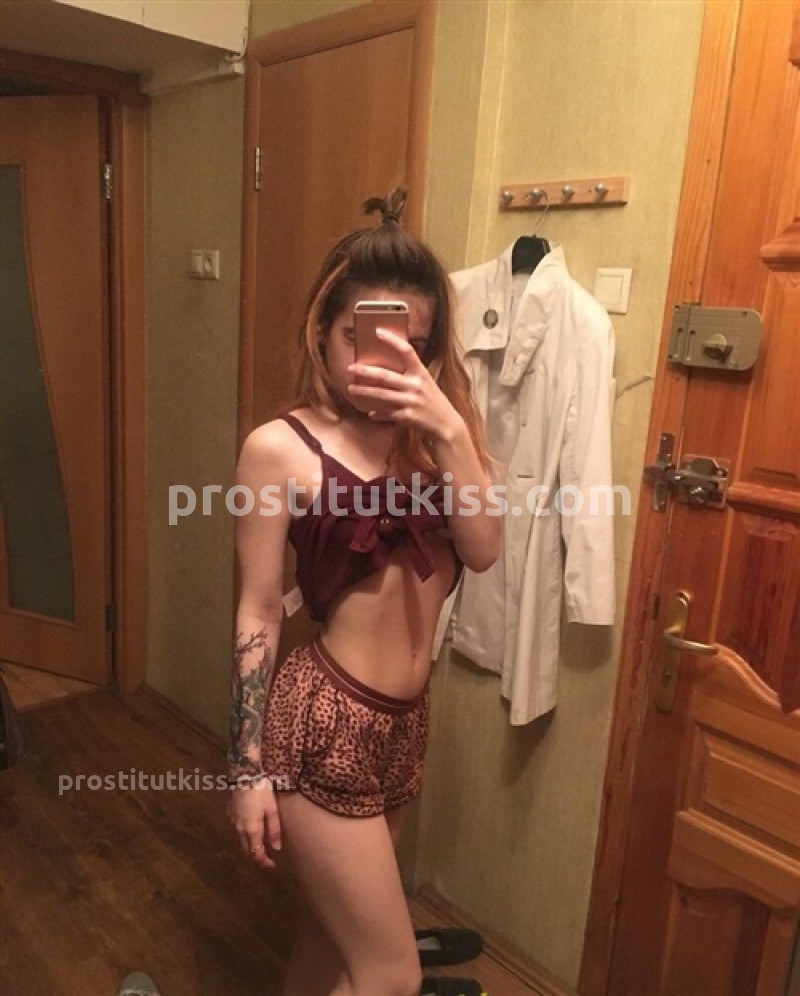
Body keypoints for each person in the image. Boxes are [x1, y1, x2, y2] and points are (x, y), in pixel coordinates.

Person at [226, 188, 500, 996]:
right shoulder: (279, 448)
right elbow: (257, 609)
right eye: (365, 338)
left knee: (331, 944)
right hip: (324, 722)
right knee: (390, 971)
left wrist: (451, 433)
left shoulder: (439, 440)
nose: (386, 362)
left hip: (403, 725)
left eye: (412, 346)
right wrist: (244, 767)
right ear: (324, 329)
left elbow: (483, 553)